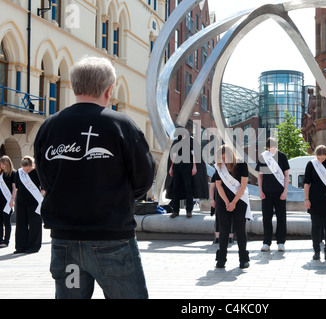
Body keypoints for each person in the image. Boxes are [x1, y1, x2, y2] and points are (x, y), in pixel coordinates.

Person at [34, 56, 155, 299]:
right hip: (113, 241)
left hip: (65, 242)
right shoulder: (122, 125)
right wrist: (120, 198)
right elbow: (144, 177)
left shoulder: (49, 127)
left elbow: (44, 177)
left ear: (74, 85)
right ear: (110, 90)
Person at [214, 145, 252, 269]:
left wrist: (234, 202)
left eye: (225, 158)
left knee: (240, 230)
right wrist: (226, 202)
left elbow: (243, 185)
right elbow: (218, 186)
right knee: (224, 231)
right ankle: (221, 259)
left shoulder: (241, 164)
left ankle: (243, 259)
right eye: (221, 158)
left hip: (239, 201)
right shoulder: (219, 167)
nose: (224, 161)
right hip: (223, 201)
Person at [303, 145, 326, 261]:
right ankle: (316, 251)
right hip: (314, 199)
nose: (320, 160)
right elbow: (306, 183)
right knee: (316, 226)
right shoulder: (311, 164)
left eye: (322, 158)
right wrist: (306, 199)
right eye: (318, 158)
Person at [256, 137, 290, 252]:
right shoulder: (263, 157)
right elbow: (260, 176)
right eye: (271, 148)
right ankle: (266, 242)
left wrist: (285, 191)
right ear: (267, 147)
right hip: (266, 193)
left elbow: (286, 175)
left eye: (275, 147)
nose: (273, 149)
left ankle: (281, 242)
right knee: (266, 218)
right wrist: (260, 191)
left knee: (281, 218)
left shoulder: (282, 156)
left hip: (280, 193)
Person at [13, 156, 44, 254]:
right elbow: (17, 186)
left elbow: (43, 188)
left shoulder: (38, 172)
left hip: (34, 202)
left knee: (34, 225)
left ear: (32, 166)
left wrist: (40, 199)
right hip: (21, 202)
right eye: (24, 169)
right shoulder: (19, 172)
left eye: (28, 169)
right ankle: (20, 247)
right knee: (21, 225)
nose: (26, 172)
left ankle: (33, 246)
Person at [168, 127, 197, 218]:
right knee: (175, 189)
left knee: (189, 189)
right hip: (177, 167)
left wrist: (194, 166)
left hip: (187, 167)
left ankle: (189, 211)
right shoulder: (177, 141)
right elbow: (174, 155)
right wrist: (171, 167)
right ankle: (175, 211)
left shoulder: (191, 141)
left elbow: (194, 154)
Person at [210, 175, 234, 244]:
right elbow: (212, 187)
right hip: (218, 199)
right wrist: (212, 199)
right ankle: (217, 237)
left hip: (231, 199)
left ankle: (230, 237)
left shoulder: (232, 173)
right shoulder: (216, 174)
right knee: (218, 217)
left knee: (231, 217)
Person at [0, 156, 17, 248]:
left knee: (7, 221)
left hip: (7, 201)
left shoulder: (13, 173)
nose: (2, 166)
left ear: (8, 163)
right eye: (1, 164)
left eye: (3, 164)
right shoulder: (0, 174)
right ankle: (0, 240)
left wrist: (12, 199)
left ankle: (6, 241)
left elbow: (14, 188)